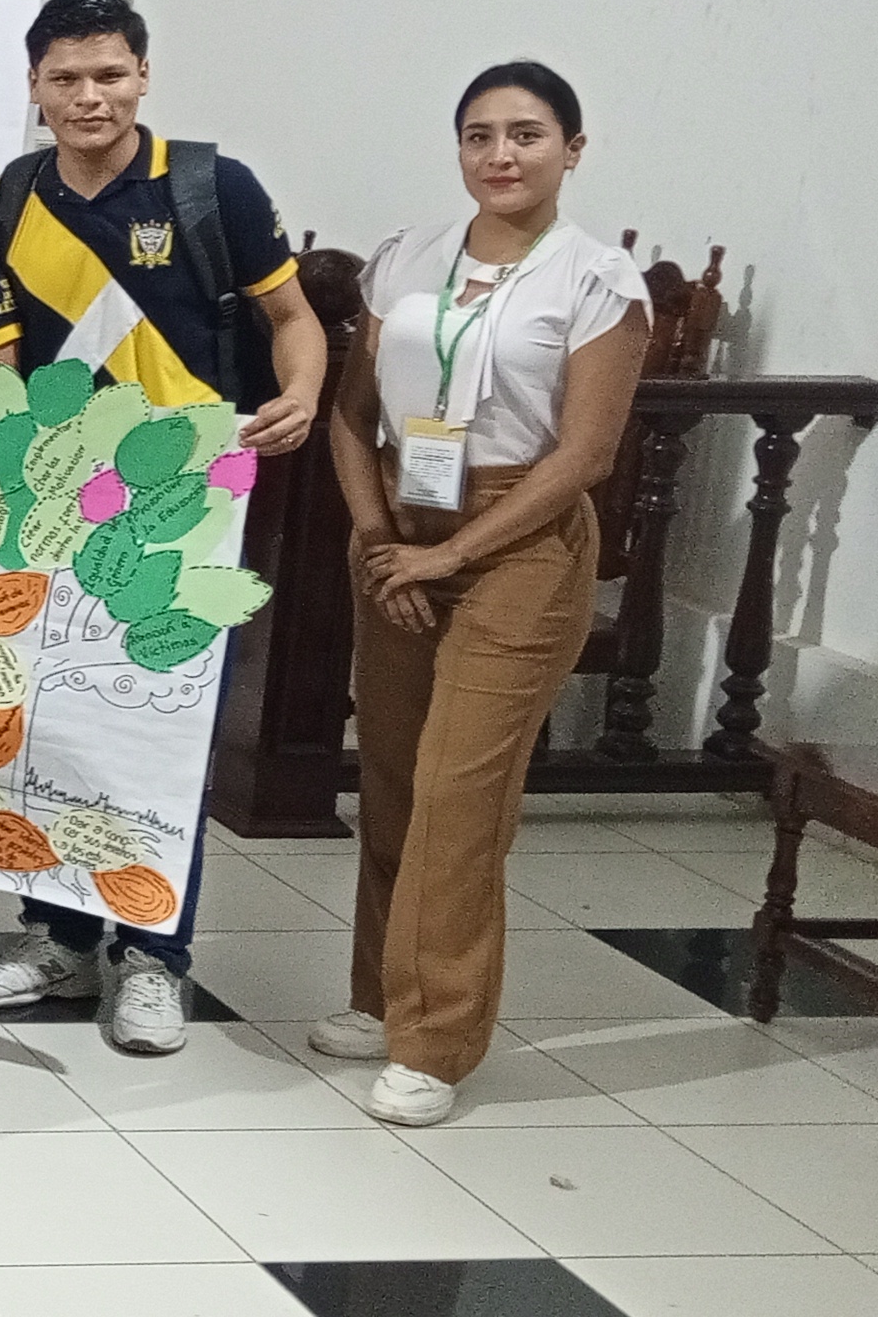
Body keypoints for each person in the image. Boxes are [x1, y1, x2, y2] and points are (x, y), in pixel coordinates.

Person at [0, 0, 329, 1055]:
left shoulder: (212, 188)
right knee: (58, 717)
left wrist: (299, 392)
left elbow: (291, 320)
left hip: (186, 502)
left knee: (159, 726)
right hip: (56, 496)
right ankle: (60, 937)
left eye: (109, 74)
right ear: (34, 86)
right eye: (65, 77)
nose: (89, 96)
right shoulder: (9, 194)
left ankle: (154, 955)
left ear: (144, 75)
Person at [315, 62, 646, 1127]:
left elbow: (585, 456)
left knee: (461, 797)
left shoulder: (598, 282)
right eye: (479, 135)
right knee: (396, 779)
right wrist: (379, 542)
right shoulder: (406, 259)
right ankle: (378, 996)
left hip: (521, 544)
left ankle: (436, 1040)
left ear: (573, 149)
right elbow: (349, 417)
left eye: (528, 135)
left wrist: (452, 559)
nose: (501, 155)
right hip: (400, 530)